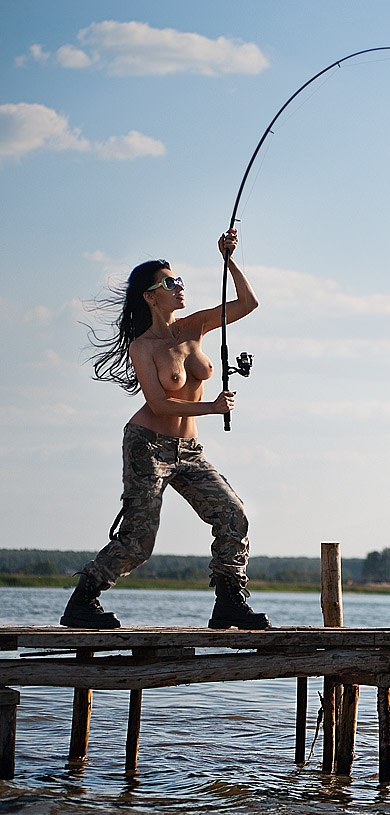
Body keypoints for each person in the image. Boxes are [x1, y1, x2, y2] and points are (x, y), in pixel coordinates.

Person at [60, 229, 270, 629]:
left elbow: (248, 303)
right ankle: (83, 601)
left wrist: (228, 259)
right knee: (139, 542)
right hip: (147, 446)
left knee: (232, 514)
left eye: (180, 281)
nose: (179, 287)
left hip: (189, 450)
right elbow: (158, 403)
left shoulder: (194, 326)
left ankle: (229, 602)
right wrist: (211, 406)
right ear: (150, 296)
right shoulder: (143, 347)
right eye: (170, 283)